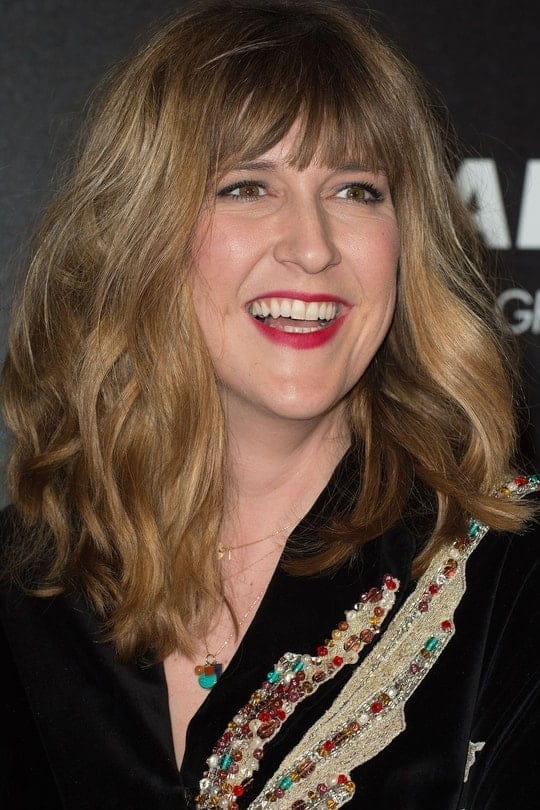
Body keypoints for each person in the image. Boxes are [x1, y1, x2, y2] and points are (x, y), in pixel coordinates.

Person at [0, 1, 538, 808]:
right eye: (247, 187)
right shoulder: (26, 586)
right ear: (140, 233)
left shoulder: (507, 573)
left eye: (356, 190)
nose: (313, 246)